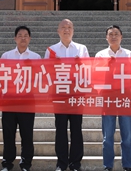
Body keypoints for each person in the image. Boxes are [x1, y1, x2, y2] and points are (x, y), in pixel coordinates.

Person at [45, 19, 89, 171]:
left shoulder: (81, 49)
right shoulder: (51, 50)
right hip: (59, 94)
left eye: (69, 27)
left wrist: (80, 65)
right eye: (63, 27)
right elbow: (46, 72)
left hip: (77, 94)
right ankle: (62, 163)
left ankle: (75, 163)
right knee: (61, 128)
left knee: (76, 128)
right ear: (58, 31)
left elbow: (87, 71)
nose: (66, 30)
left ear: (73, 30)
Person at [0, 26, 41, 171]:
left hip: (27, 101)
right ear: (15, 38)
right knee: (8, 134)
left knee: (27, 134)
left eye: (25, 35)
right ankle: (7, 163)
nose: (23, 38)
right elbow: (0, 77)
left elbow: (39, 79)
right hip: (9, 101)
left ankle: (26, 164)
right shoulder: (6, 56)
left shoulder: (36, 57)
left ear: (30, 38)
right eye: (20, 35)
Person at [95, 25, 131, 171]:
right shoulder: (100, 55)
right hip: (108, 98)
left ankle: (127, 165)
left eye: (116, 34)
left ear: (121, 37)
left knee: (127, 135)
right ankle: (108, 165)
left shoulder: (129, 54)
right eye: (110, 34)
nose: (113, 37)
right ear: (106, 38)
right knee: (107, 136)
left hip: (125, 97)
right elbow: (96, 76)